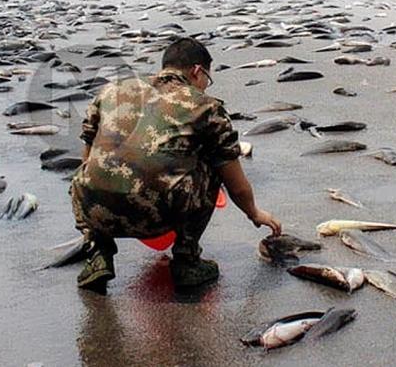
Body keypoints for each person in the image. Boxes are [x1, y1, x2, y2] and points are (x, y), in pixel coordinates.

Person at [71, 37, 282, 293]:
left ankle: (98, 255)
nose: (205, 86)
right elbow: (234, 183)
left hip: (94, 211)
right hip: (157, 215)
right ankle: (187, 260)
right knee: (214, 163)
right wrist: (254, 213)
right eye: (207, 78)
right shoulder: (206, 106)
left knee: (94, 171)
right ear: (197, 71)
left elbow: (88, 155)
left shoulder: (111, 91)